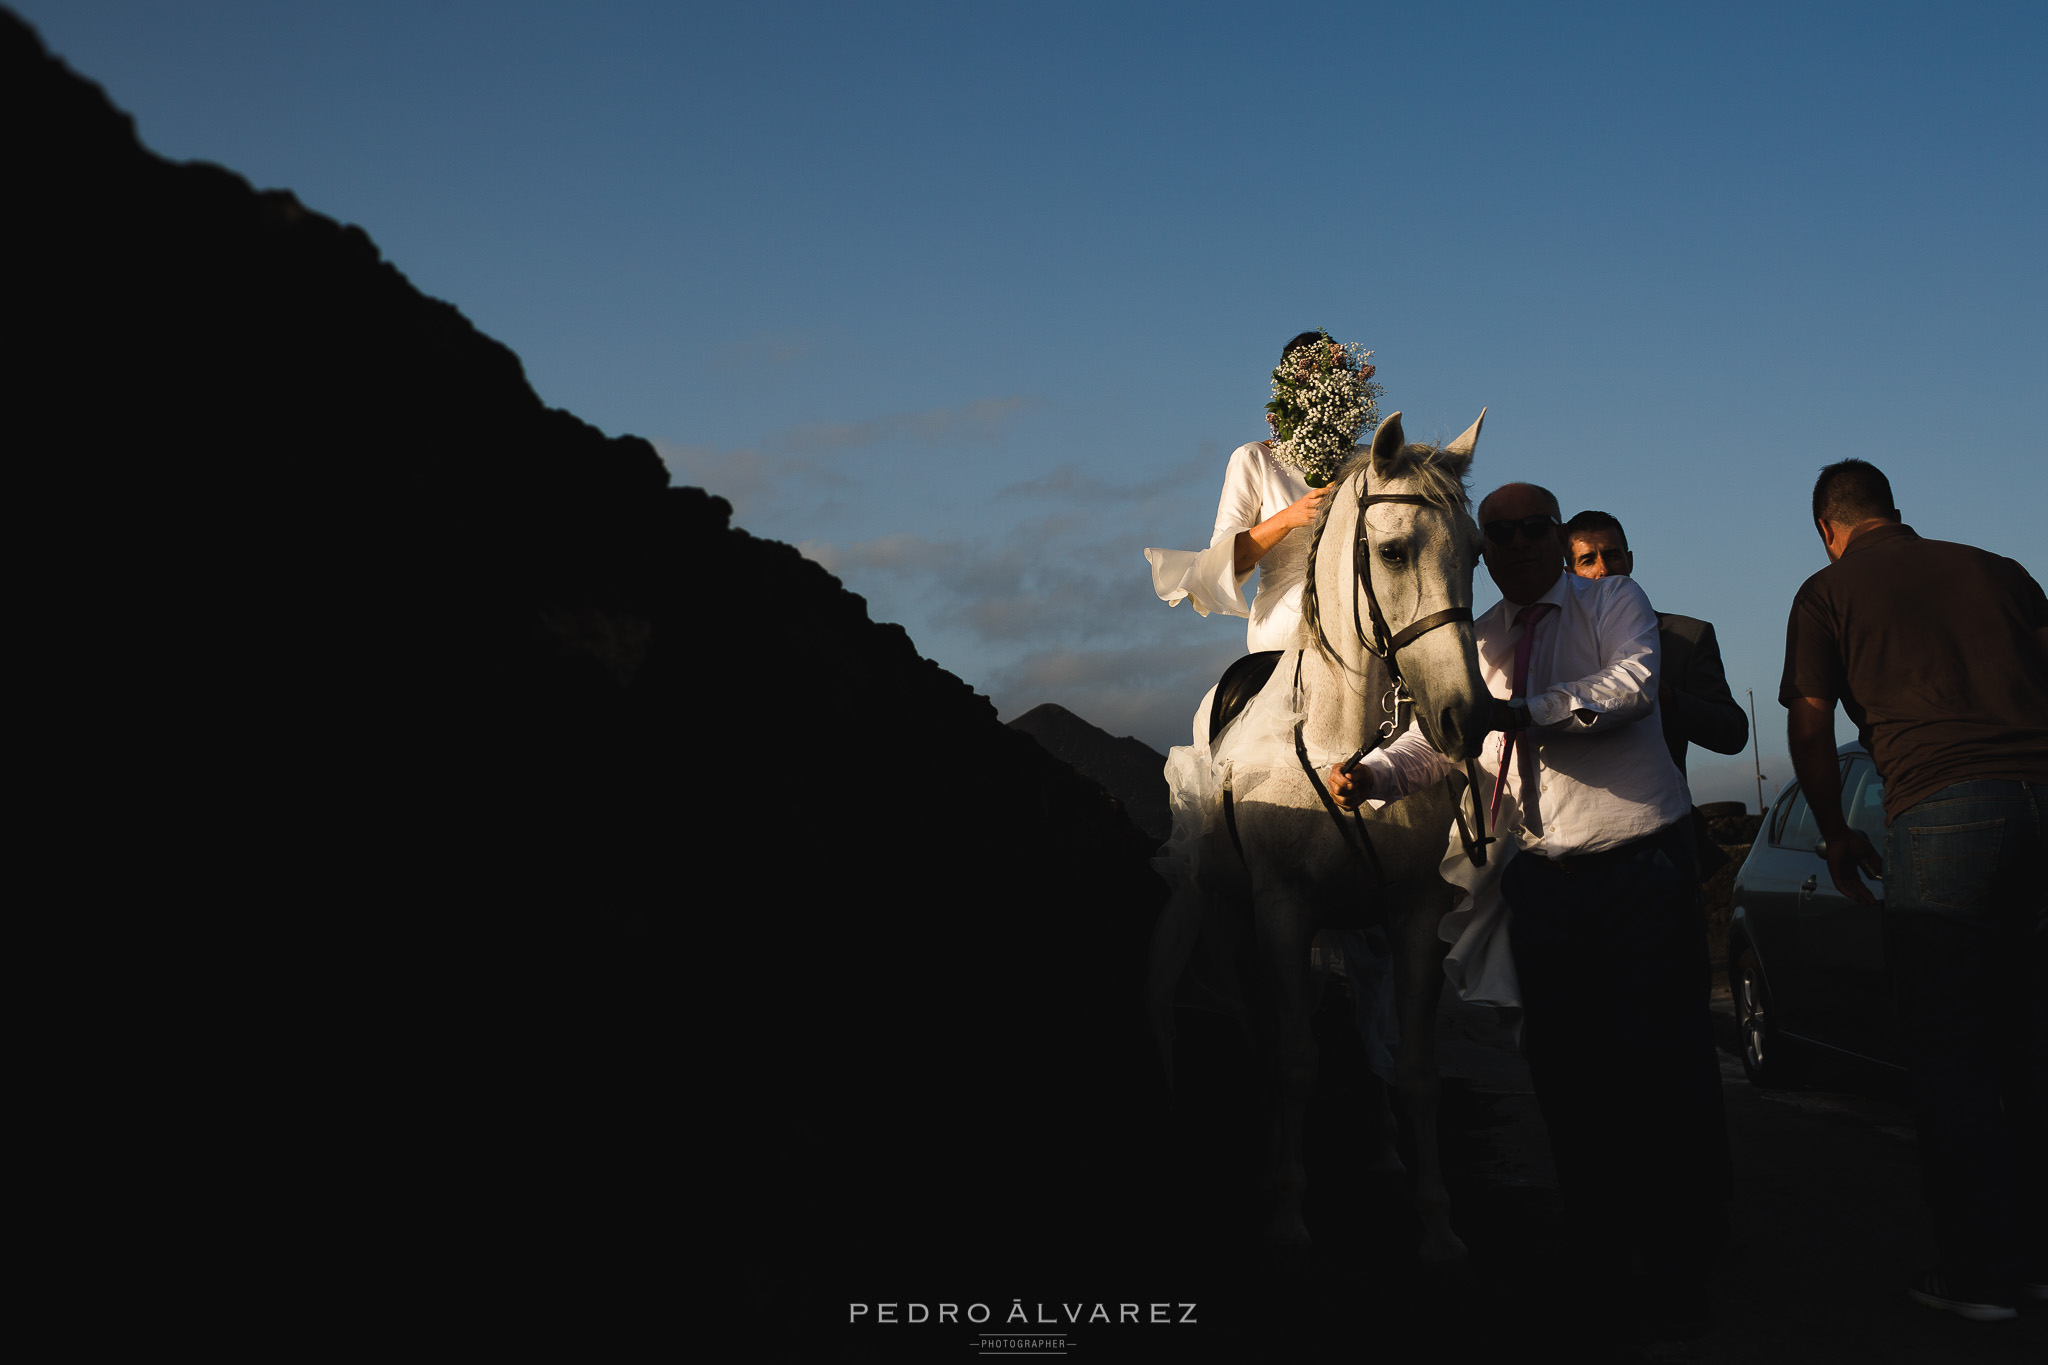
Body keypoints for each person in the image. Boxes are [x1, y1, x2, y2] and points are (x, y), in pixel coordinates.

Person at [1330, 481, 1729, 1338]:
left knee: (1665, 1076)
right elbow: (1438, 745)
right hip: (1544, 881)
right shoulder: (1477, 641)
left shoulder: (1613, 599)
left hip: (1641, 870)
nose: (1513, 545)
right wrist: (1372, 775)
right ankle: (1600, 1259)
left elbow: (1627, 687)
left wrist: (1516, 712)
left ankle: (1684, 1266)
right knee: (1570, 1079)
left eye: (1530, 529)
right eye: (1497, 535)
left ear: (1557, 536)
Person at [1779, 457, 2047, 1322]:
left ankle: (1982, 1276)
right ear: (1898, 511)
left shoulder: (1827, 592)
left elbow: (1812, 724)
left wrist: (1835, 829)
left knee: (1951, 1050)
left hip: (1946, 807)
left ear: (1829, 528)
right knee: (2030, 1039)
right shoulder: (1998, 569)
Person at [1563, 510, 1748, 781]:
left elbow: (1733, 734)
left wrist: (1667, 697)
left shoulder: (1687, 637)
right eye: (1588, 560)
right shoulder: (1553, 641)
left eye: (1612, 555)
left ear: (1630, 560)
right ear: (1570, 573)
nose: (1603, 569)